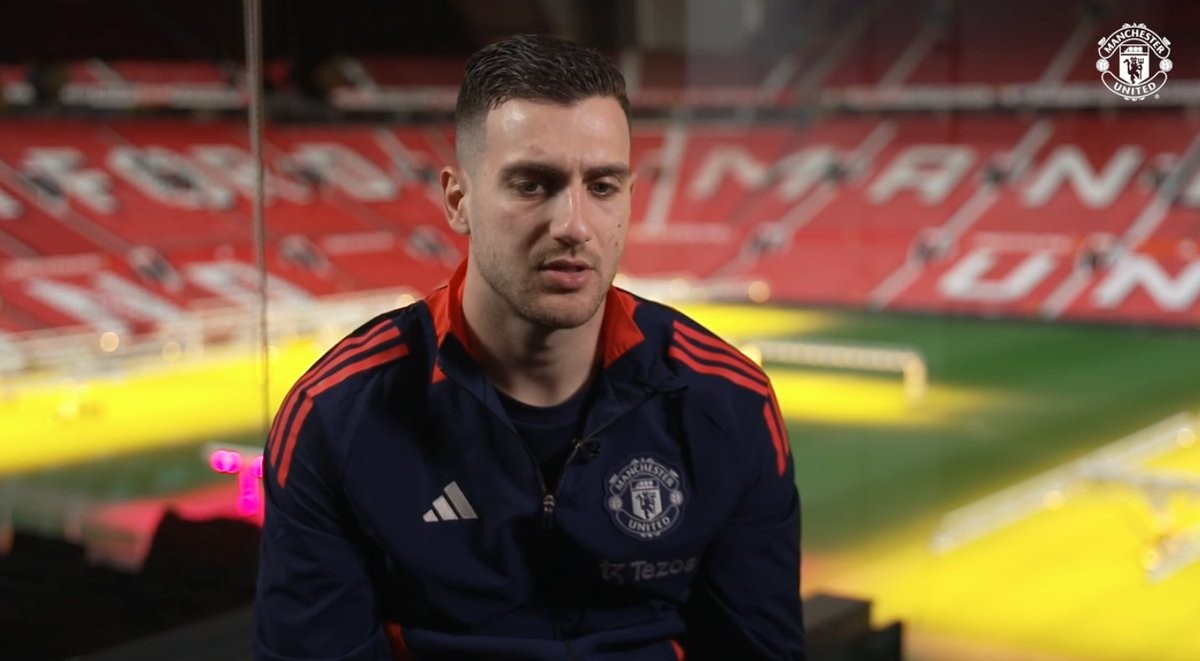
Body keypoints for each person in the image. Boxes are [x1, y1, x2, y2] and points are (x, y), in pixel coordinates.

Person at [255, 33, 805, 660]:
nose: (573, 225)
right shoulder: (336, 415)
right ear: (458, 201)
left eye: (602, 186)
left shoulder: (730, 403)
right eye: (532, 184)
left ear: (630, 197)